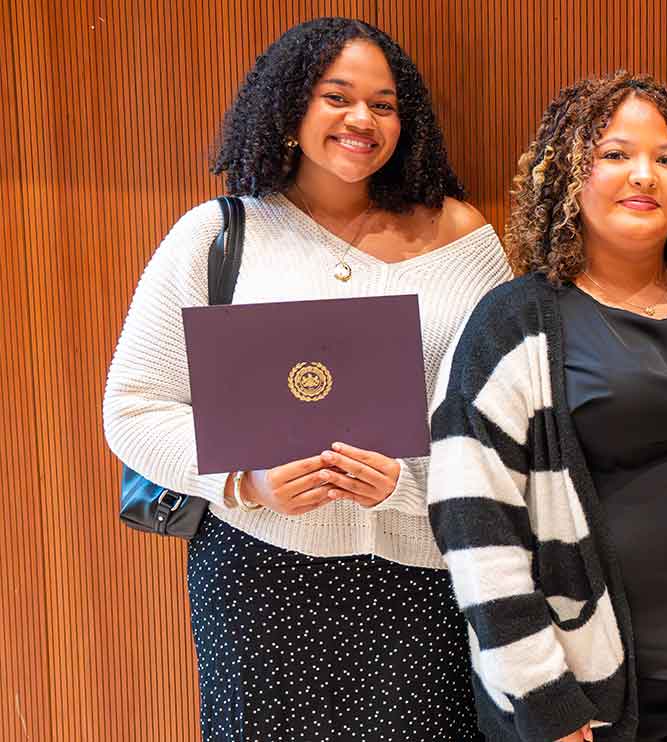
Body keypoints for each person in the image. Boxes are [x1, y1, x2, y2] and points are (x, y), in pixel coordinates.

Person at [100, 17, 505, 741]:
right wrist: (244, 480)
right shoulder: (219, 235)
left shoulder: (464, 240)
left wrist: (406, 483)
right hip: (258, 573)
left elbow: (503, 418)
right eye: (337, 96)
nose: (362, 119)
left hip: (424, 575)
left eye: (384, 104)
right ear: (291, 108)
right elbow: (133, 406)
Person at [427, 72, 667, 742]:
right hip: (583, 701)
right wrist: (544, 699)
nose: (644, 176)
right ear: (567, 174)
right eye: (615, 154)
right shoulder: (511, 326)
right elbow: (475, 529)